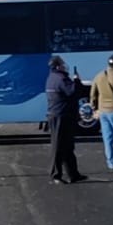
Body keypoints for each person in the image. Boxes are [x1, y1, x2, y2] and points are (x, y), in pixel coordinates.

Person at [46, 56, 86, 184]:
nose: (64, 66)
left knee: (67, 146)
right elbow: (73, 92)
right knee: (59, 146)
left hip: (58, 115)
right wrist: (77, 81)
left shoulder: (51, 78)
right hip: (61, 116)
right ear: (57, 66)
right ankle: (56, 175)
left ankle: (73, 173)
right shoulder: (61, 78)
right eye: (62, 64)